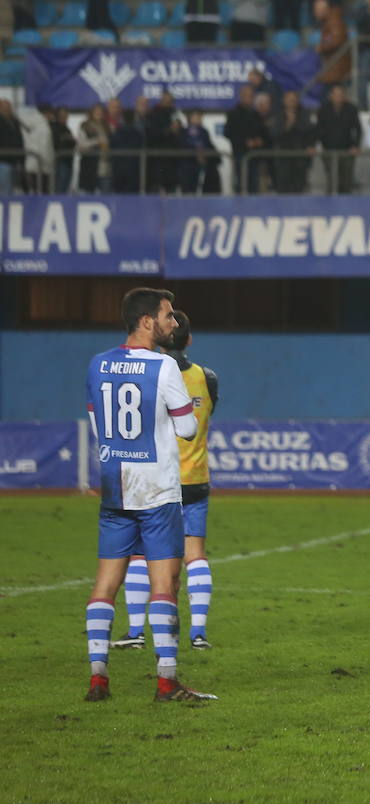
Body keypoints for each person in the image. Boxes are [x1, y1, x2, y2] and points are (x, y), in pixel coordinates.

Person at [83, 288, 212, 703]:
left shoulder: (98, 363)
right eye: (167, 315)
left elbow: (98, 425)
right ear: (145, 321)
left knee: (105, 585)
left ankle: (98, 679)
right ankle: (166, 680)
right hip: (157, 490)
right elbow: (188, 429)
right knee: (164, 585)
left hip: (114, 489)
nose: (173, 323)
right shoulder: (163, 367)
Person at [113, 309, 220, 650]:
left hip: (155, 479)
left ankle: (135, 632)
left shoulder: (147, 374)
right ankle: (198, 633)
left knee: (141, 556)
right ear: (188, 340)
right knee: (196, 555)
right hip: (195, 479)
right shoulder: (208, 377)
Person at [317, 84, 362, 193]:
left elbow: (358, 129)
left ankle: (346, 206)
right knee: (331, 180)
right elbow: (318, 129)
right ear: (330, 96)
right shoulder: (323, 109)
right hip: (328, 149)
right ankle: (330, 207)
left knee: (346, 181)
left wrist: (355, 146)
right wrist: (320, 145)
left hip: (347, 149)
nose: (338, 97)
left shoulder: (351, 109)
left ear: (344, 96)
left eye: (341, 94)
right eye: (335, 94)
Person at [224, 85, 267, 194]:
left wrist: (259, 140)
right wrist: (245, 142)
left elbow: (263, 132)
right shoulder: (233, 113)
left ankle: (254, 209)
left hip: (255, 156)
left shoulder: (256, 114)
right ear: (241, 96)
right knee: (241, 185)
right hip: (240, 155)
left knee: (255, 185)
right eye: (246, 95)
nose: (248, 98)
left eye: (251, 96)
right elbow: (228, 133)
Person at [270, 92, 314, 194]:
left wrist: (310, 146)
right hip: (282, 157)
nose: (291, 102)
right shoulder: (277, 114)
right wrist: (287, 125)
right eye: (289, 99)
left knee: (299, 187)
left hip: (300, 157)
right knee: (283, 187)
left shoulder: (304, 113)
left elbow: (309, 131)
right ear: (284, 101)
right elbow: (273, 134)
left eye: (293, 100)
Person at [314, 0, 351, 89]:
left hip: (336, 67)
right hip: (332, 66)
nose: (315, 13)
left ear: (325, 9)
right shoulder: (329, 21)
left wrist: (322, 47)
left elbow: (336, 40)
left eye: (316, 10)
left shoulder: (334, 22)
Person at [77, 103, 112, 194]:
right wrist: (96, 142)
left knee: (106, 194)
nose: (98, 113)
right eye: (96, 111)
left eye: (101, 111)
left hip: (105, 167)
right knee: (88, 195)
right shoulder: (85, 126)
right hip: (90, 167)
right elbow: (81, 146)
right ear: (91, 112)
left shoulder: (107, 127)